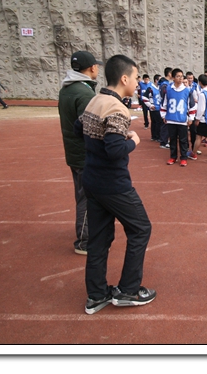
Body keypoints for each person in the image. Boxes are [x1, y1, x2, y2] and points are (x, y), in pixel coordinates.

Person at [74, 54, 156, 315]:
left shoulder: (95, 99)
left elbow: (78, 129)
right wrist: (133, 140)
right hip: (113, 184)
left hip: (92, 180)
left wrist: (106, 140)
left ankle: (96, 295)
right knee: (141, 228)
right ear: (124, 78)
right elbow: (115, 150)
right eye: (135, 77)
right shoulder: (117, 108)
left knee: (99, 240)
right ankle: (128, 290)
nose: (137, 82)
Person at [58, 50, 103, 255]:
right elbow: (89, 128)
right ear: (92, 68)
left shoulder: (67, 88)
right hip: (84, 154)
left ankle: (86, 230)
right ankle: (84, 240)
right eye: (96, 66)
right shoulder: (84, 94)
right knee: (87, 197)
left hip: (74, 152)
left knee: (82, 194)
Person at [161, 68, 195, 167]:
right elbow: (164, 104)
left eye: (181, 76)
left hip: (182, 120)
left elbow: (192, 105)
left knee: (183, 140)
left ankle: (183, 158)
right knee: (172, 139)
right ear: (173, 78)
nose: (180, 78)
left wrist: (191, 118)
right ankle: (173, 157)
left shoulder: (187, 90)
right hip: (171, 119)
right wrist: (163, 115)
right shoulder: (168, 89)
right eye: (178, 76)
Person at [142, 74, 163, 142]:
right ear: (156, 80)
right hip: (154, 107)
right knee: (157, 122)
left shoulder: (160, 88)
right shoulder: (150, 88)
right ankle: (157, 136)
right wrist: (150, 105)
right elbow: (144, 97)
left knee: (156, 122)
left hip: (159, 107)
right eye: (159, 80)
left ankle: (154, 136)